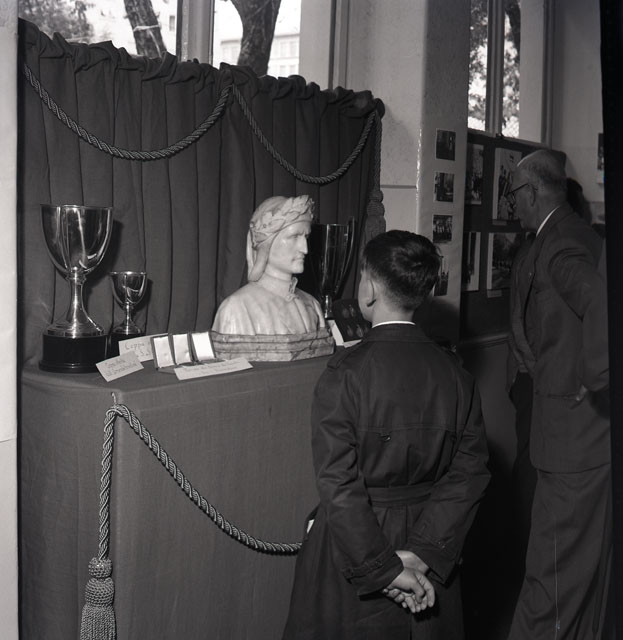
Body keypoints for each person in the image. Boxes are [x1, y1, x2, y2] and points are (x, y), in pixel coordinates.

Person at [282, 230, 490, 640]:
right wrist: (421, 554)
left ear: (370, 288)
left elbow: (338, 483)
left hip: (355, 546)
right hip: (430, 539)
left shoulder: (345, 373)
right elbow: (471, 473)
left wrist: (385, 569)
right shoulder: (456, 374)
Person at [505, 149, 611, 640]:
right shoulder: (573, 233)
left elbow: (600, 306)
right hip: (581, 440)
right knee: (580, 583)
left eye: (512, 195)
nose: (511, 206)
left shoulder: (562, 243)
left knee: (549, 582)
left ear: (531, 192)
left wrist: (593, 376)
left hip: (573, 442)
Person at [211, 194, 325, 335]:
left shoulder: (313, 305)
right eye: (294, 236)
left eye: (306, 237)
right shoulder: (236, 309)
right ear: (266, 244)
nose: (305, 249)